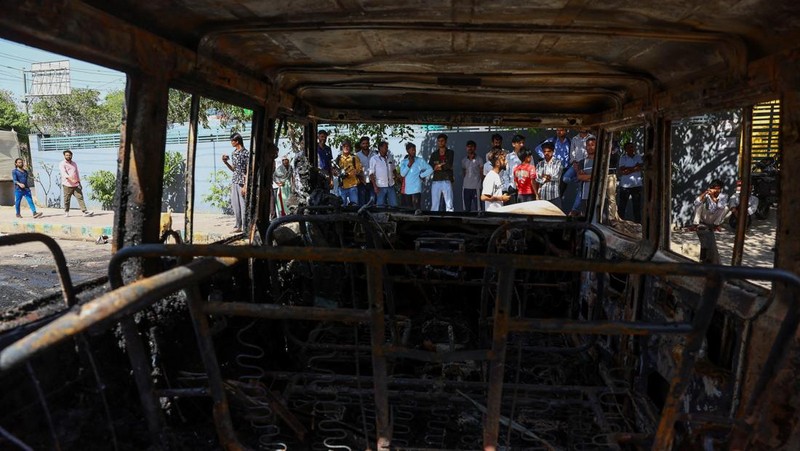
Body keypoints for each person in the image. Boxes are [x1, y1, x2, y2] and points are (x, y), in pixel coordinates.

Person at [222, 132, 248, 232]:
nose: (231, 143)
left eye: (232, 141)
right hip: (235, 180)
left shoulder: (245, 153)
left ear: (237, 141)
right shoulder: (234, 153)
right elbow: (234, 169)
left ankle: (245, 226)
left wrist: (245, 185)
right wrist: (226, 162)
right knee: (235, 204)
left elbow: (248, 170)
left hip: (242, 182)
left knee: (243, 204)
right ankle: (238, 225)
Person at [59, 149, 93, 217]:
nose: (68, 156)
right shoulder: (62, 164)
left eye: (69, 155)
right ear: (64, 156)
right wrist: (71, 179)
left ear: (71, 156)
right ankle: (66, 212)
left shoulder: (74, 163)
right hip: (67, 185)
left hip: (76, 184)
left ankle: (84, 212)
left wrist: (79, 182)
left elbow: (76, 173)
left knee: (80, 197)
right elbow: (64, 173)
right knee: (67, 199)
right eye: (66, 155)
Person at [400, 143, 434, 209]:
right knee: (409, 208)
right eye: (412, 150)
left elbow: (430, 169)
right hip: (407, 189)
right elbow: (402, 174)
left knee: (416, 208)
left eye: (415, 150)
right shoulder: (404, 162)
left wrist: (421, 175)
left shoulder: (420, 160)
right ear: (407, 151)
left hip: (416, 188)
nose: (414, 152)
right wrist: (409, 164)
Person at [617, 142, 644, 223]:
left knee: (637, 206)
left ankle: (638, 223)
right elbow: (623, 170)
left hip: (636, 185)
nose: (631, 149)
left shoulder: (638, 157)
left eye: (632, 147)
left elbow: (640, 167)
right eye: (629, 147)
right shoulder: (623, 158)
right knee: (622, 206)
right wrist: (635, 167)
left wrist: (628, 169)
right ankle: (620, 222)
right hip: (625, 185)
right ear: (625, 149)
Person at [428, 133, 455, 212]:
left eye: (442, 141)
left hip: (447, 179)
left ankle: (450, 218)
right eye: (439, 141)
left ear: (445, 141)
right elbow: (431, 166)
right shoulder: (434, 154)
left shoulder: (450, 152)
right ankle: (433, 219)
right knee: (435, 204)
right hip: (436, 180)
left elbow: (449, 165)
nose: (440, 142)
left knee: (449, 204)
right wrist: (441, 165)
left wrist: (439, 166)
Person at [571, 135, 596, 216]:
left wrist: (587, 176)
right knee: (586, 216)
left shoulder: (600, 161)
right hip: (585, 195)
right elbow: (580, 177)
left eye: (592, 145)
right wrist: (593, 176)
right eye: (588, 145)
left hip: (598, 195)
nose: (590, 147)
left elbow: (601, 176)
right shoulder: (582, 162)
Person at [335, 140, 363, 206]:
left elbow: (359, 170)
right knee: (341, 206)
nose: (346, 148)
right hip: (342, 186)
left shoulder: (354, 158)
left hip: (352, 186)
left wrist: (350, 174)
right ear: (341, 148)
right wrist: (337, 173)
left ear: (350, 148)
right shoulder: (338, 158)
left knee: (354, 206)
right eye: (344, 146)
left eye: (348, 146)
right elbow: (335, 171)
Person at [535, 142, 563, 208]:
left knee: (557, 214)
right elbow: (537, 178)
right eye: (544, 151)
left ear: (553, 152)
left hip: (554, 195)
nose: (546, 153)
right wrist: (548, 177)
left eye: (549, 151)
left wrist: (544, 177)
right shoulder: (540, 164)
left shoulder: (558, 163)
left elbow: (557, 177)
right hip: (542, 195)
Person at [370, 141, 397, 207]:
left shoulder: (390, 157)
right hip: (380, 186)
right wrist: (375, 186)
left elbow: (393, 169)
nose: (387, 149)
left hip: (390, 185)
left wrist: (397, 178)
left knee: (394, 205)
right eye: (385, 147)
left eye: (387, 147)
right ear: (380, 148)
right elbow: (371, 174)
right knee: (380, 205)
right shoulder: (374, 159)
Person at [461, 140, 484, 211]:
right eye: (468, 146)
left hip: (476, 187)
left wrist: (481, 184)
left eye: (472, 146)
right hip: (466, 187)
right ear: (466, 148)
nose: (470, 148)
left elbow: (481, 173)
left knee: (478, 209)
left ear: (475, 148)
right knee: (466, 209)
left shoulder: (479, 159)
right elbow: (464, 173)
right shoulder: (464, 160)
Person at [356, 136, 375, 205]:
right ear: (360, 145)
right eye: (363, 143)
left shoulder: (374, 154)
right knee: (362, 203)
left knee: (372, 201)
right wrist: (362, 180)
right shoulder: (357, 156)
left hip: (373, 182)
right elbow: (357, 170)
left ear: (369, 144)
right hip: (362, 182)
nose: (365, 145)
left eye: (367, 143)